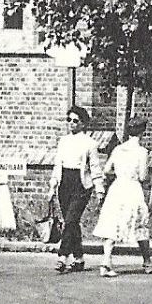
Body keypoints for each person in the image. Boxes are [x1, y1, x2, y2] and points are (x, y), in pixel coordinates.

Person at [93, 117, 152, 277]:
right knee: (139, 224)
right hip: (132, 189)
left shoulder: (117, 149)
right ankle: (147, 262)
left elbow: (107, 169)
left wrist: (120, 172)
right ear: (142, 132)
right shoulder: (142, 152)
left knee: (113, 223)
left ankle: (106, 262)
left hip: (117, 188)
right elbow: (143, 176)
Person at [48, 106, 100, 274]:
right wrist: (53, 186)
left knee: (70, 220)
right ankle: (79, 259)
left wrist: (99, 189)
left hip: (81, 185)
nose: (71, 124)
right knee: (73, 223)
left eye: (75, 121)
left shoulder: (90, 143)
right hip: (65, 183)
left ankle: (62, 256)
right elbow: (58, 165)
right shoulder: (63, 141)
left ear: (83, 124)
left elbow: (94, 167)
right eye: (69, 120)